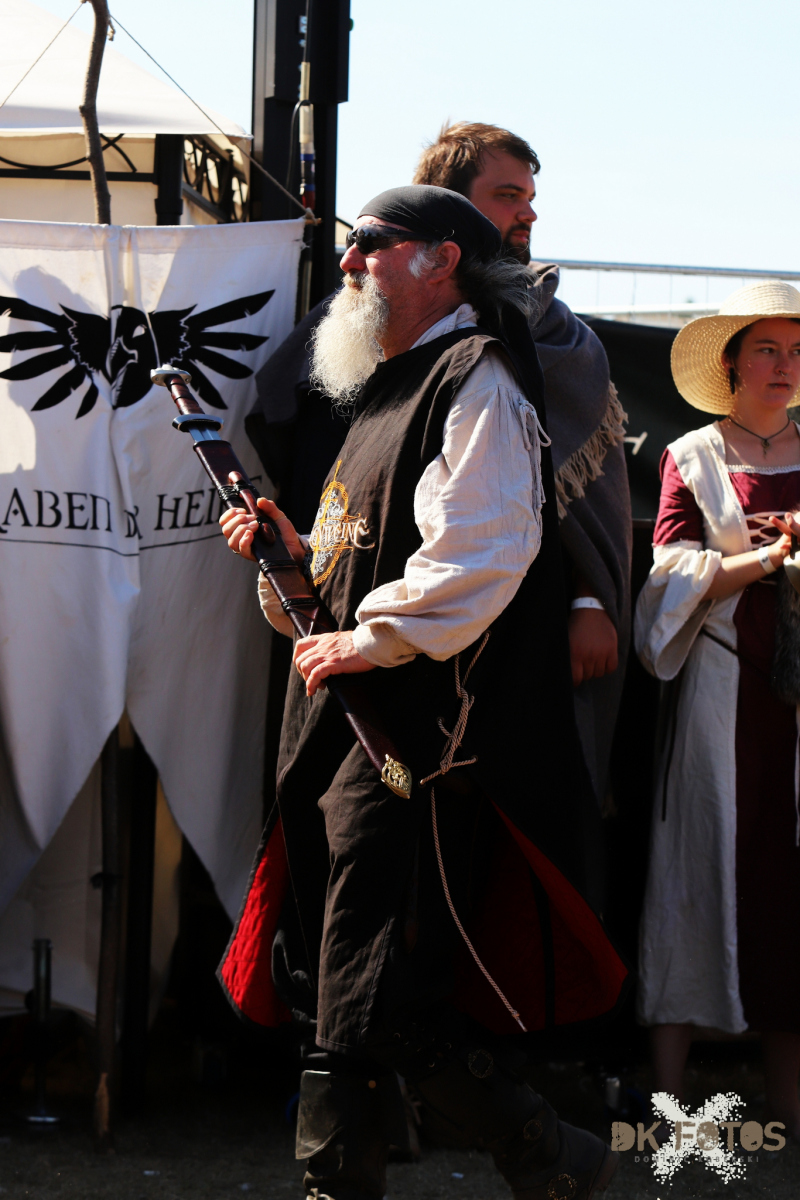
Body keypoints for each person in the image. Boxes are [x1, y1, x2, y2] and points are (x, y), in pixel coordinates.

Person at [218, 185, 626, 1200]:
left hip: (414, 739)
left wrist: (372, 639)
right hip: (341, 729)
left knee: (367, 994)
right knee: (348, 988)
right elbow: (333, 584)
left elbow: (481, 556)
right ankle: (548, 1159)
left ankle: (530, 1156)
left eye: (371, 242)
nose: (348, 261)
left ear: (442, 260)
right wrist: (284, 560)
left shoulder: (475, 378)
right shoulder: (383, 392)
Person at [249, 123, 631, 804]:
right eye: (508, 195)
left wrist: (587, 595)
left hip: (446, 690)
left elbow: (490, 536)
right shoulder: (375, 352)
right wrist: (301, 554)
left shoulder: (485, 365)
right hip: (352, 679)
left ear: (444, 256)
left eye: (368, 243)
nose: (528, 214)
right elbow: (372, 518)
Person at [634, 280, 800, 1136]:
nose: (784, 365)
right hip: (720, 690)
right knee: (694, 872)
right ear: (732, 363)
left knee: (790, 886)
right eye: (766, 349)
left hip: (797, 708)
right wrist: (766, 559)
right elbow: (668, 577)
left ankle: (788, 1104)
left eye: (795, 351)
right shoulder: (693, 456)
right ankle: (666, 1104)